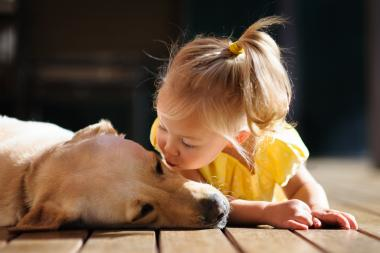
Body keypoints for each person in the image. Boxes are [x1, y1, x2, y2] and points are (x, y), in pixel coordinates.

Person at [149, 16, 358, 230]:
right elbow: (208, 205)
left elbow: (303, 186)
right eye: (164, 126)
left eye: (188, 142)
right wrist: (267, 212)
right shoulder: (182, 161)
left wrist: (316, 209)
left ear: (238, 136)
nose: (167, 146)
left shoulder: (275, 146)